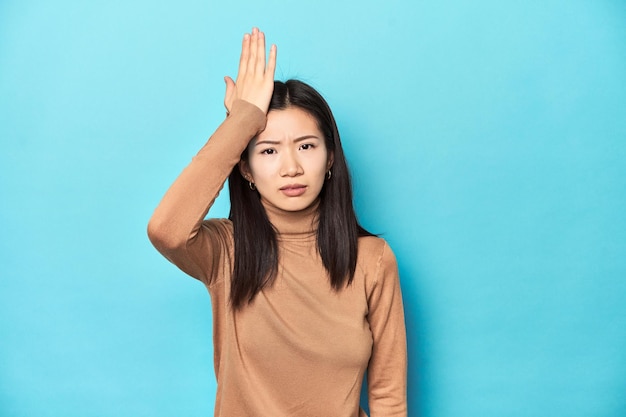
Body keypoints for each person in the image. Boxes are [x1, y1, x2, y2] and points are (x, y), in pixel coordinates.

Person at [147, 27, 407, 417]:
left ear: (330, 157)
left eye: (306, 146)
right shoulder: (226, 252)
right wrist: (242, 121)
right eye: (268, 150)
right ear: (246, 170)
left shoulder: (372, 259)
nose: (291, 167)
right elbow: (165, 230)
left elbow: (388, 397)